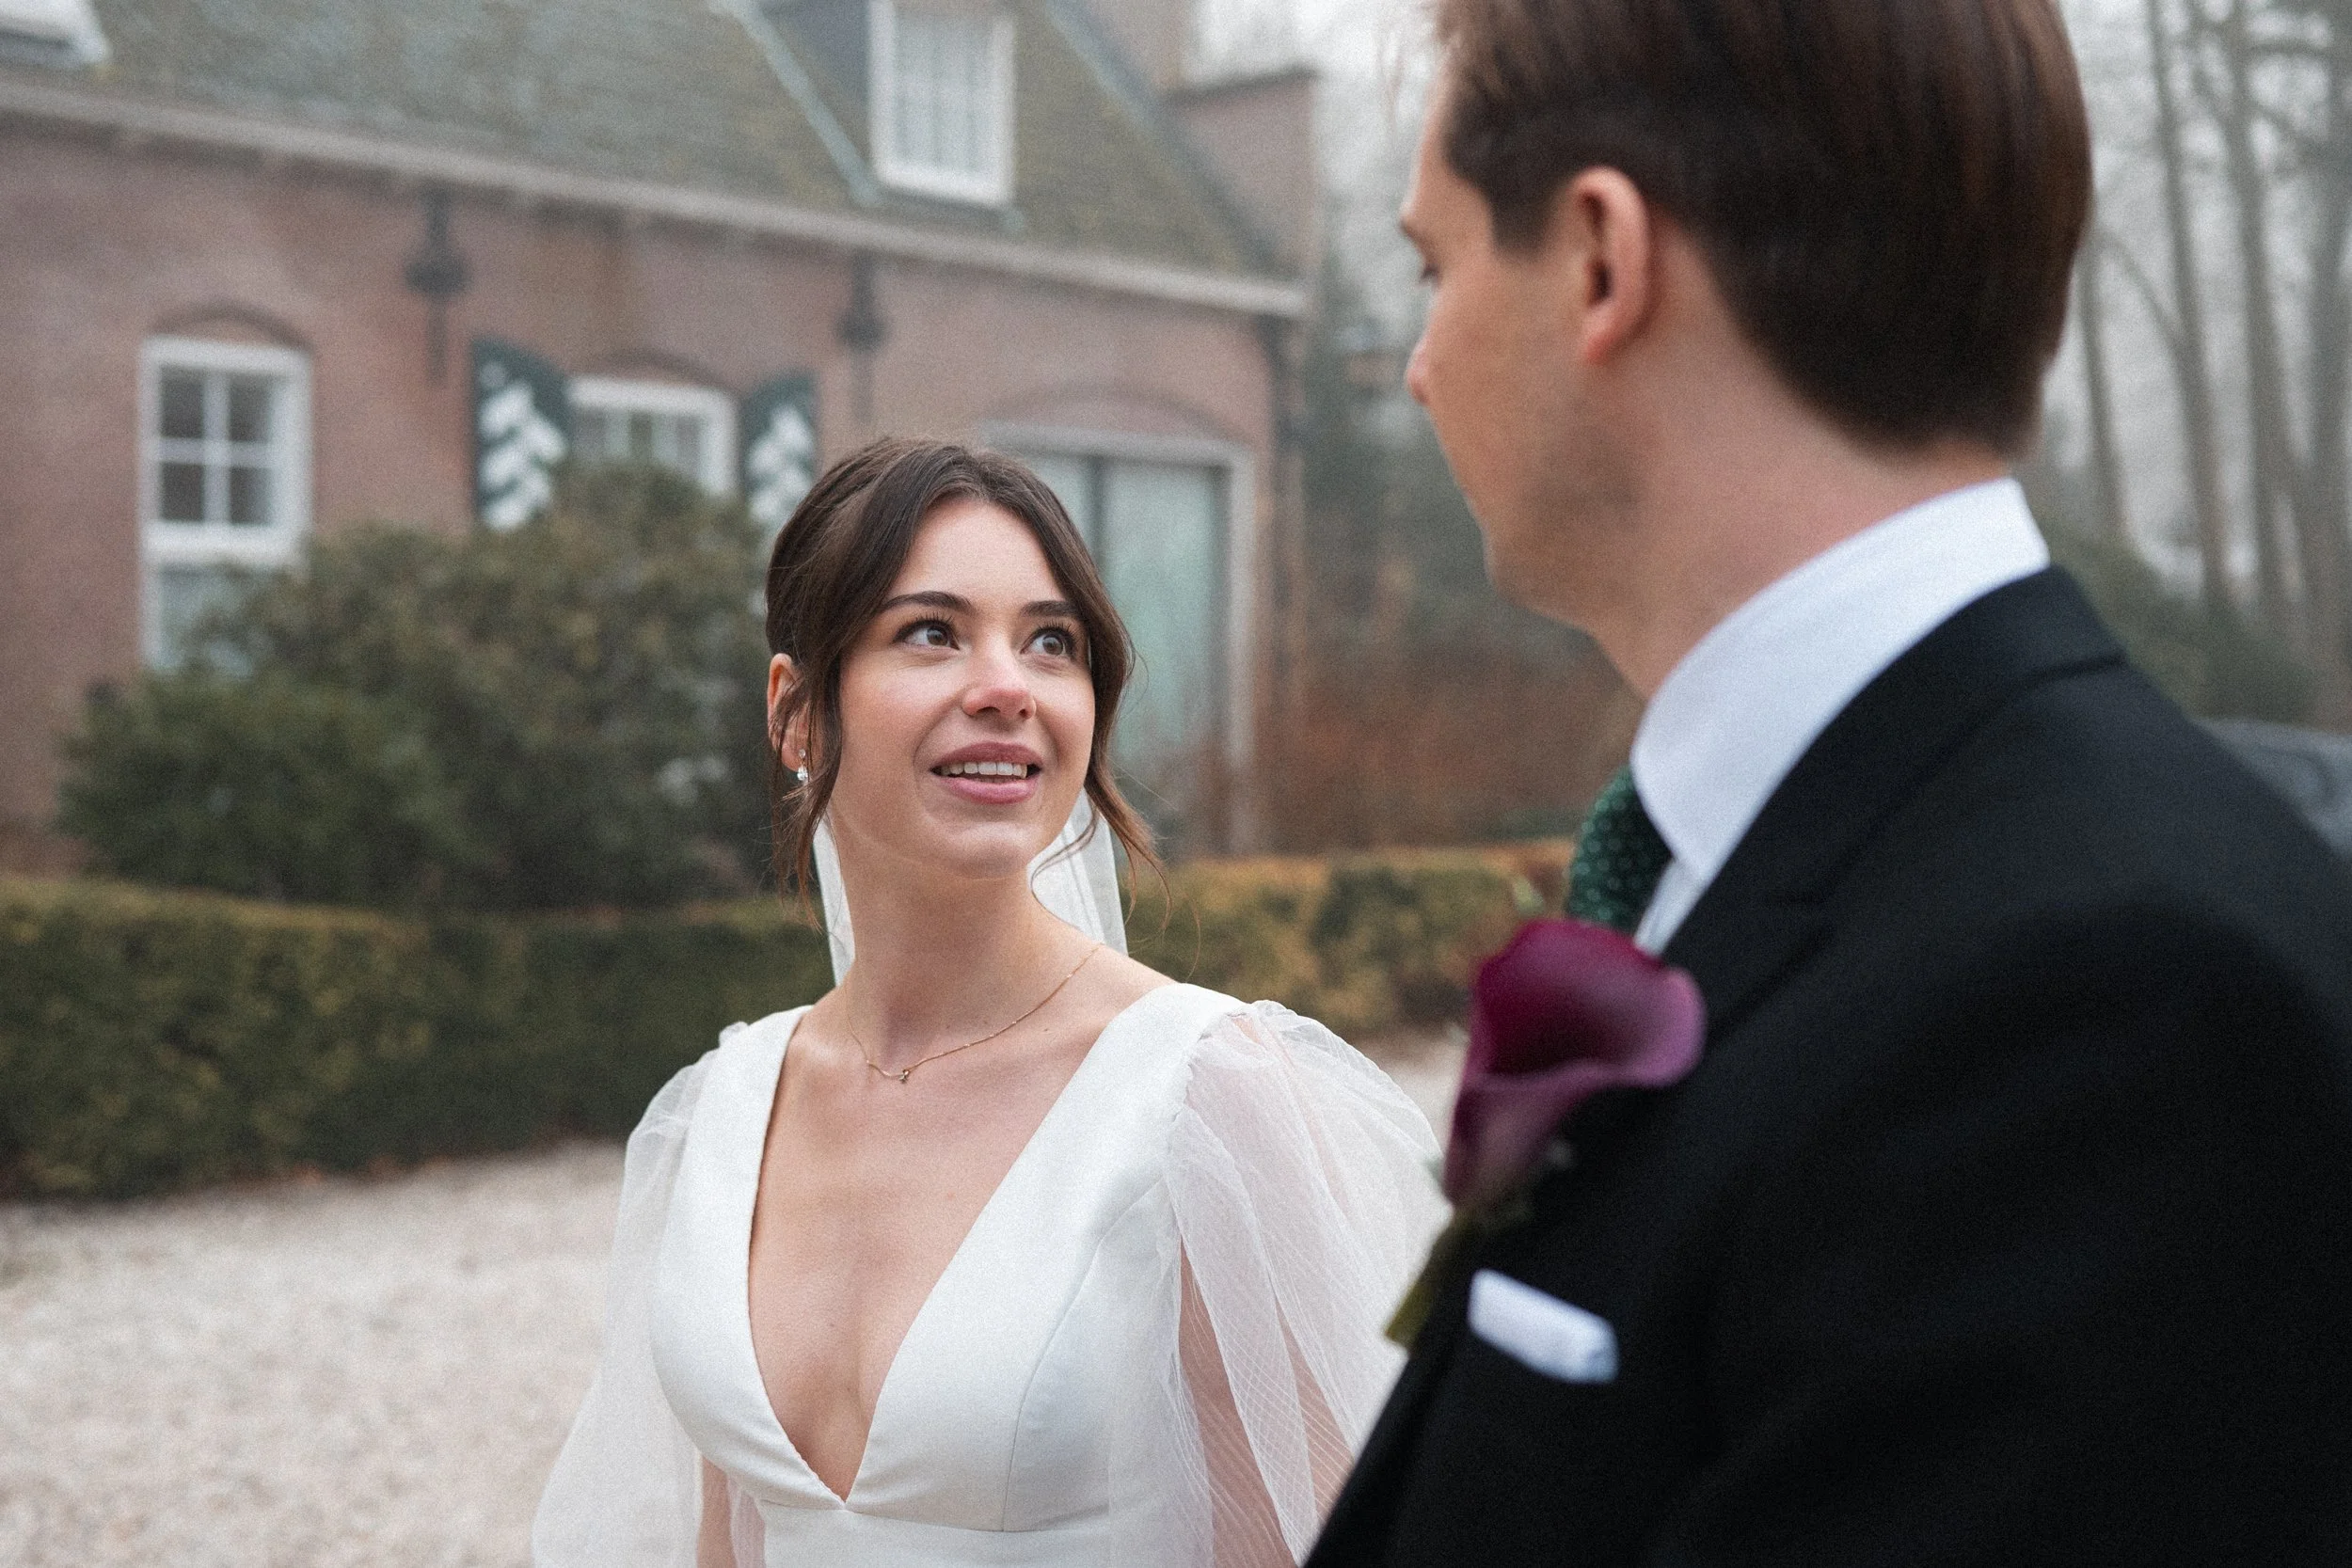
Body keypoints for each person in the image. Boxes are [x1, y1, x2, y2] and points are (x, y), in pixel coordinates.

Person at [1309, 2, 2352, 1564]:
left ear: (1602, 261)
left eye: (1435, 265)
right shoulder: (1833, 854)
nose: (1419, 365)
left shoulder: (2106, 1007)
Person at [533, 438, 1446, 1568]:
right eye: (932, 631)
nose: (1007, 686)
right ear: (796, 711)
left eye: (1049, 643)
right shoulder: (723, 1110)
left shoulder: (1207, 1101)